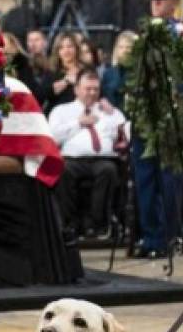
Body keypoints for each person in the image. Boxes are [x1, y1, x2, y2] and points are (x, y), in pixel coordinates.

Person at [131, 0, 183, 259]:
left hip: (171, 117)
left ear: (174, 2)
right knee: (145, 180)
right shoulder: (142, 35)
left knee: (169, 182)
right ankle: (150, 237)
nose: (155, 3)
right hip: (144, 118)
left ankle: (169, 236)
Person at [48, 68, 127, 238]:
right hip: (72, 160)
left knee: (108, 171)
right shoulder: (61, 110)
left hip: (103, 160)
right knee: (63, 171)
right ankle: (69, 225)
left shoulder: (108, 110)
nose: (92, 93)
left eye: (95, 89)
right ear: (76, 89)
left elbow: (123, 135)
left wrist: (113, 114)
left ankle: (97, 225)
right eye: (87, 89)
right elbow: (52, 138)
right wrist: (78, 123)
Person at [42, 32, 84, 113]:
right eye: (61, 48)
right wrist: (66, 81)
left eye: (70, 46)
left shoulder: (86, 70)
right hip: (57, 114)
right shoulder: (51, 71)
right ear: (57, 51)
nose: (66, 51)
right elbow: (44, 94)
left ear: (76, 48)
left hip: (80, 113)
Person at [100, 30, 137, 111]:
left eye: (128, 47)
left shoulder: (142, 72)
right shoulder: (108, 73)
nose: (124, 51)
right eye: (121, 47)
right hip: (113, 116)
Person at [2, 32, 41, 99]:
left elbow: (29, 88)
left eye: (2, 44)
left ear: (14, 46)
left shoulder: (24, 64)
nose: (1, 48)